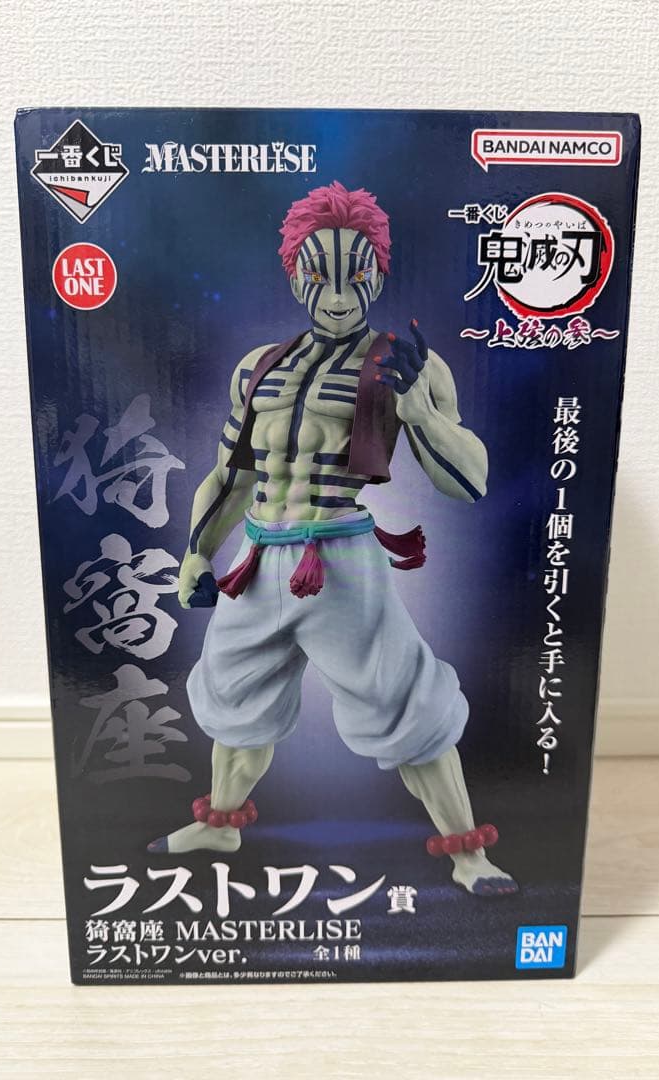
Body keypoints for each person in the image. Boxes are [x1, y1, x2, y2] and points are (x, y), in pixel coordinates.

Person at [148, 181, 517, 897]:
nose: (341, 295)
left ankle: (469, 856)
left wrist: (419, 413)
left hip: (341, 561)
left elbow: (470, 481)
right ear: (294, 275)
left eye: (358, 274)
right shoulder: (259, 366)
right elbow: (229, 477)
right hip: (257, 561)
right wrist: (196, 551)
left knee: (405, 704)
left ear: (379, 273)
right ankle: (220, 822)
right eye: (321, 275)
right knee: (234, 700)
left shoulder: (407, 365)